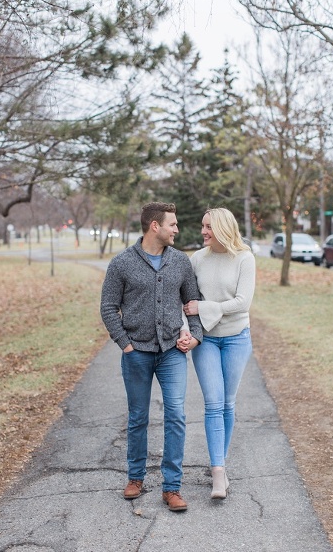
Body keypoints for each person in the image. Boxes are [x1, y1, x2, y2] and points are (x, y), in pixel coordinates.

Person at [100, 202, 203, 512]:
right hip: (136, 354)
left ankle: (171, 487)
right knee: (138, 418)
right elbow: (108, 307)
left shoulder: (181, 262)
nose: (176, 229)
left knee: (176, 415)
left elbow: (193, 302)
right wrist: (125, 344)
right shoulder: (121, 264)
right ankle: (135, 477)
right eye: (172, 224)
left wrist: (194, 334)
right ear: (154, 226)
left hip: (172, 352)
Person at [178, 207, 256, 500]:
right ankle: (219, 474)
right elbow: (188, 302)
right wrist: (188, 328)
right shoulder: (198, 259)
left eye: (208, 227)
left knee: (228, 402)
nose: (203, 232)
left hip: (237, 338)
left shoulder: (244, 259)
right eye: (202, 226)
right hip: (206, 340)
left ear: (222, 227)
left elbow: (242, 302)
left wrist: (206, 308)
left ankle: (219, 464)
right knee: (213, 404)